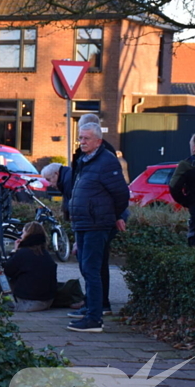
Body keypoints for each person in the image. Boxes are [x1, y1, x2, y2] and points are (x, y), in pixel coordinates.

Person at [66, 122, 129, 333]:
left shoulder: (106, 162)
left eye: (86, 138)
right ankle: (91, 310)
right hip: (84, 222)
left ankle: (94, 318)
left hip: (96, 223)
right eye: (80, 138)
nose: (81, 142)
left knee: (92, 270)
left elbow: (121, 194)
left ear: (98, 141)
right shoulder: (85, 160)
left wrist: (116, 216)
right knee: (86, 268)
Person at [4, 222, 58, 312]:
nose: (21, 236)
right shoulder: (45, 254)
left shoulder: (23, 253)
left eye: (23, 233)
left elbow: (8, 271)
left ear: (28, 235)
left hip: (28, 302)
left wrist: (15, 251)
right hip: (48, 301)